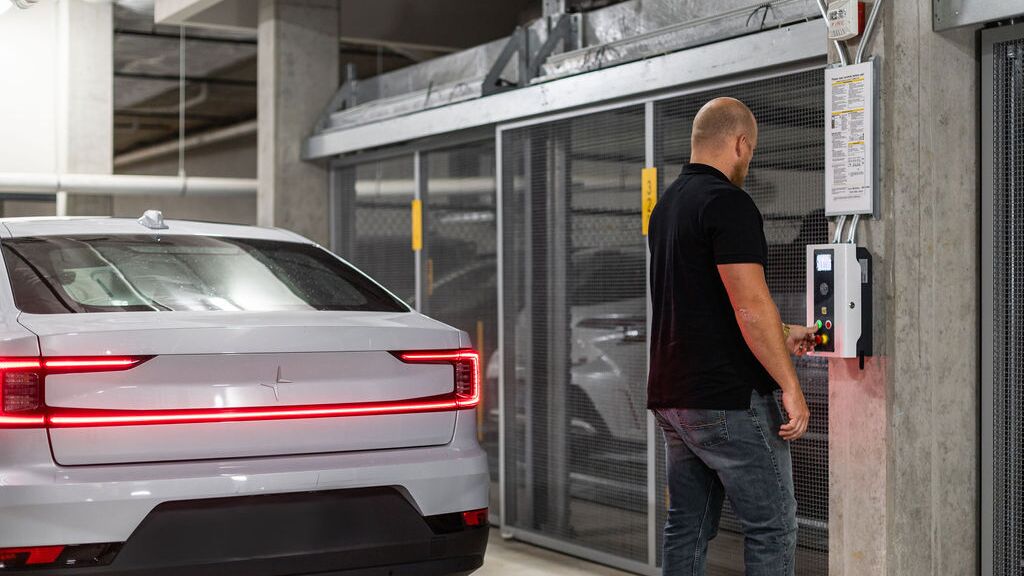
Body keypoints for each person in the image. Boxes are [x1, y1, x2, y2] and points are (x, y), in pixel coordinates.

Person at [646, 97, 818, 576]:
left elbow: (707, 303)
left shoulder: (668, 206)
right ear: (741, 143)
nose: (749, 161)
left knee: (687, 524)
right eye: (752, 151)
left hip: (675, 398)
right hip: (726, 399)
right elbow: (749, 305)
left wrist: (784, 333)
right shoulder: (728, 203)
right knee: (773, 526)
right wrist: (790, 386)